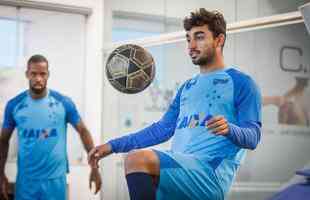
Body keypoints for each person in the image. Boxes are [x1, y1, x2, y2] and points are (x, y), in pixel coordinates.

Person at [89, 8, 262, 200]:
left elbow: (253, 137)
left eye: (199, 37)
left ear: (219, 40)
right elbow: (162, 130)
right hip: (180, 171)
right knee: (142, 170)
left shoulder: (241, 83)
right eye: (188, 39)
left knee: (137, 159)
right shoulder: (187, 87)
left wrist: (230, 129)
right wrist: (112, 146)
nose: (191, 45)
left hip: (209, 174)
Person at [0, 54, 102, 200]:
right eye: (34, 74)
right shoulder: (14, 105)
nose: (38, 78)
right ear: (27, 74)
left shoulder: (63, 103)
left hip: (55, 181)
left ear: (48, 74)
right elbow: (3, 140)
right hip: (26, 182)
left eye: (42, 74)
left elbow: (83, 131)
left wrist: (94, 168)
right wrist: (0, 173)